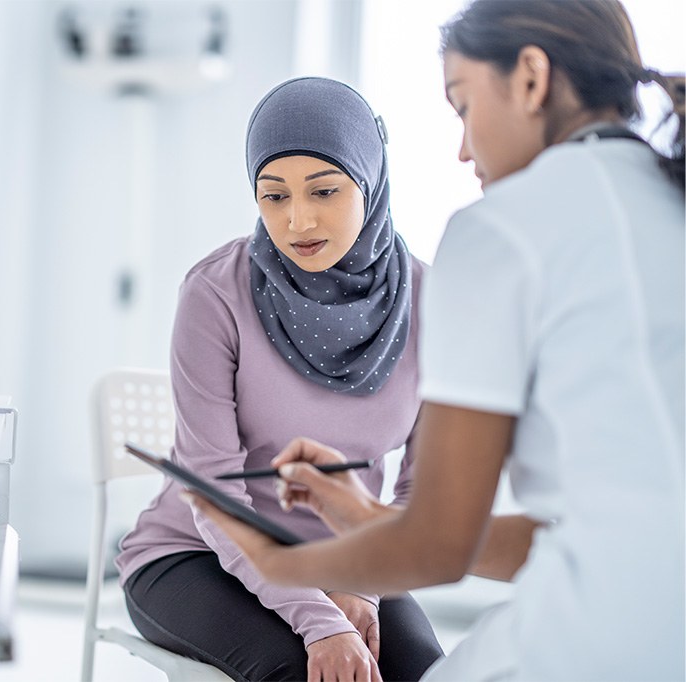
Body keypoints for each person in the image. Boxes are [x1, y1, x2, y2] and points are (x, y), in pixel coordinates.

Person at [187, 2, 685, 681]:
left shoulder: (498, 233)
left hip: (587, 638)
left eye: (462, 105)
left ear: (531, 78)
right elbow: (609, 535)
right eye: (274, 195)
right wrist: (363, 518)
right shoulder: (670, 201)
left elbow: (438, 544)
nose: (462, 147)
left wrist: (290, 569)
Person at [115, 76, 444, 682]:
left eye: (324, 191)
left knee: (425, 672)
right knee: (296, 671)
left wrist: (360, 589)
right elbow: (214, 495)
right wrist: (321, 622)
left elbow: (421, 494)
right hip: (197, 553)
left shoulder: (430, 301)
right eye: (274, 196)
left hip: (349, 554)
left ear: (369, 182)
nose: (297, 221)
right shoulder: (215, 293)